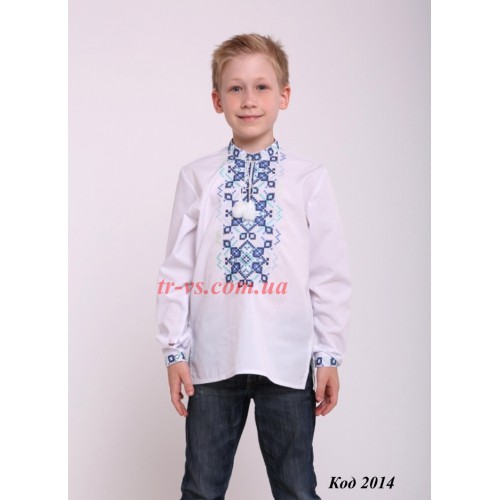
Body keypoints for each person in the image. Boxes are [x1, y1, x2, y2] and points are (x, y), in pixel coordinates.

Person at [156, 33, 352, 500]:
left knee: (297, 489)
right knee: (201, 490)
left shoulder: (308, 179)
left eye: (262, 87)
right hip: (212, 363)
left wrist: (328, 355)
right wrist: (174, 351)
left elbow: (328, 274)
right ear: (217, 100)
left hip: (286, 362)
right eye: (236, 88)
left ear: (284, 95)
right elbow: (176, 270)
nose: (249, 100)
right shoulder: (197, 177)